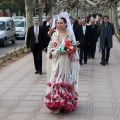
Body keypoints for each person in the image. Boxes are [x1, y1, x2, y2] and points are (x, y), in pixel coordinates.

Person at [44, 12, 79, 113]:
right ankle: (57, 104)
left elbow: (73, 49)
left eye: (61, 23)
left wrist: (68, 50)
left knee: (64, 80)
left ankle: (65, 103)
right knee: (56, 81)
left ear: (66, 24)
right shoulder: (54, 34)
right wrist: (51, 52)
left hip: (65, 61)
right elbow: (50, 47)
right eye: (58, 23)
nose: (59, 25)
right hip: (56, 61)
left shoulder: (69, 35)